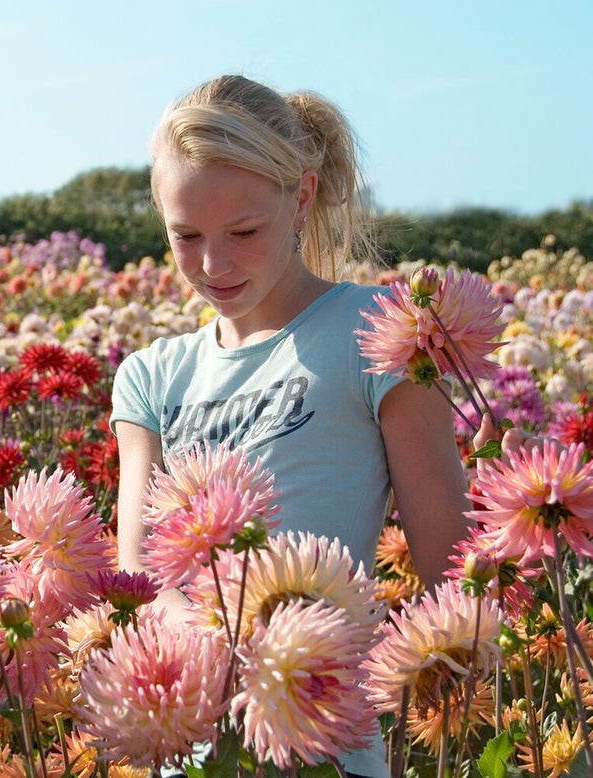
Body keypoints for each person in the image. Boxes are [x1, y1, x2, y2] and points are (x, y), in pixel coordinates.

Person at [110, 74, 480, 777]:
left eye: (243, 232)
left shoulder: (379, 332)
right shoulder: (151, 377)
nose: (213, 265)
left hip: (324, 749)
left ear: (302, 197)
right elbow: (138, 582)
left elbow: (449, 575)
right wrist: (216, 641)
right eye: (185, 236)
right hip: (192, 755)